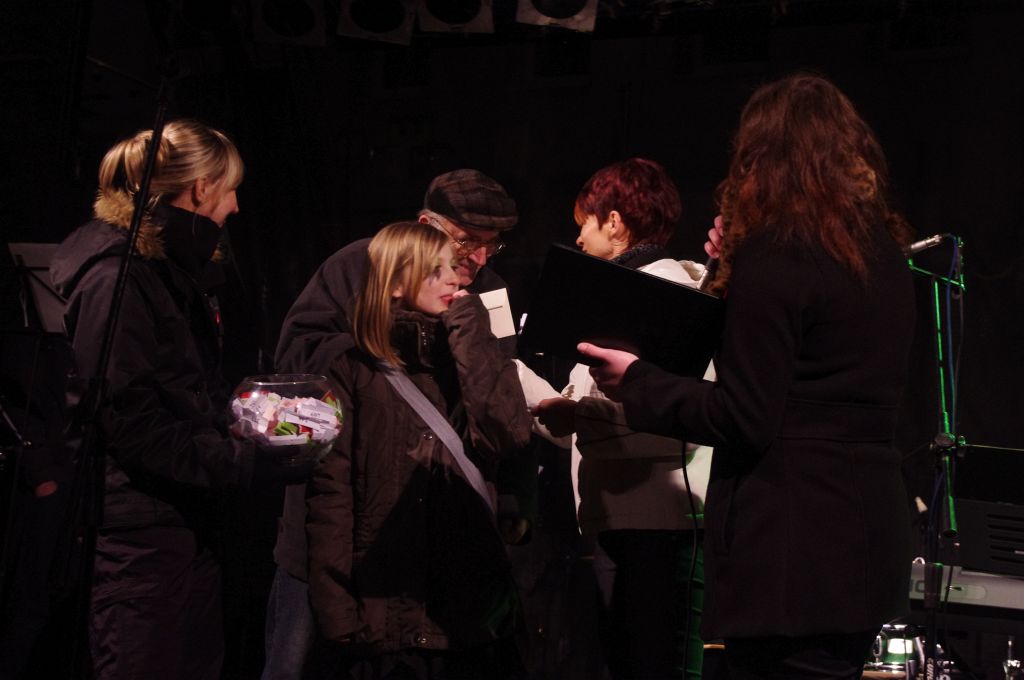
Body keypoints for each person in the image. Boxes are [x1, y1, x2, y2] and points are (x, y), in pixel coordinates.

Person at [580, 73, 917, 679]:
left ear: (761, 157)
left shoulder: (779, 253)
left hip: (790, 549)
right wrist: (725, 269)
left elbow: (744, 415)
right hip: (865, 539)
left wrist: (636, 380)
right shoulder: (882, 253)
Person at [48, 119, 300, 680]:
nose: (235, 206)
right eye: (230, 189)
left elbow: (182, 388)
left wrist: (254, 423)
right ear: (201, 188)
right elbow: (126, 415)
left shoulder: (167, 270)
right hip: (141, 528)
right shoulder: (118, 276)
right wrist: (236, 461)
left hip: (182, 512)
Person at [264, 169, 533, 680]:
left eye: (491, 245)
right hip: (349, 518)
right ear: (426, 226)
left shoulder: (487, 293)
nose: (477, 259)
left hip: (443, 527)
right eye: (466, 241)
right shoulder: (361, 264)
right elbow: (297, 366)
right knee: (301, 657)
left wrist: (517, 494)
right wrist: (380, 353)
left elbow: (504, 398)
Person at [521, 158, 711, 680]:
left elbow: (674, 415)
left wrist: (578, 413)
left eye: (583, 222)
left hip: (660, 525)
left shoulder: (664, 296)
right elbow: (587, 427)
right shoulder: (621, 295)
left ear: (613, 221)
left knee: (653, 666)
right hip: (624, 521)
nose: (579, 238)